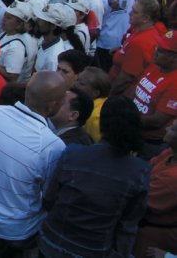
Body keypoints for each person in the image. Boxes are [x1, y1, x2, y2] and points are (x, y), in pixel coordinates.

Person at [0, 71, 67, 256]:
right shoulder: (52, 145)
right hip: (13, 227)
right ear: (52, 105)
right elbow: (49, 195)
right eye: (63, 98)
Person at [39, 96, 149, 258]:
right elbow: (127, 226)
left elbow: (49, 199)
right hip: (93, 250)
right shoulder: (139, 171)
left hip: (52, 242)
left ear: (102, 124)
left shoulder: (74, 153)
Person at [134, 118, 177, 258]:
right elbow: (146, 168)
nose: (166, 129)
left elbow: (140, 200)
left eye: (172, 129)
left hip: (154, 236)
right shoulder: (170, 153)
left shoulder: (172, 178)